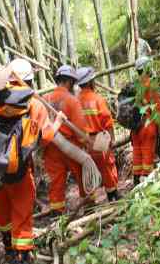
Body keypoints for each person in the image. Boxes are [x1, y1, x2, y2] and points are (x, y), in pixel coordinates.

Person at [0, 59, 63, 264]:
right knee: (22, 210)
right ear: (29, 80)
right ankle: (22, 256)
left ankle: (8, 247)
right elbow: (46, 139)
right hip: (20, 169)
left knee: (1, 209)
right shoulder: (34, 104)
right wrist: (57, 122)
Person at [43, 65, 90, 214]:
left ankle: (58, 215)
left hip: (51, 146)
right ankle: (89, 205)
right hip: (71, 146)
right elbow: (81, 128)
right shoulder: (71, 100)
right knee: (83, 173)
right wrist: (84, 144)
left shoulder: (45, 99)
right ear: (69, 82)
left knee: (56, 181)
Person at [76, 67, 119, 202]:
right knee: (107, 168)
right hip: (99, 140)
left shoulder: (75, 101)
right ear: (90, 82)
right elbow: (107, 121)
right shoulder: (97, 99)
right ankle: (113, 197)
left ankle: (91, 204)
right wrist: (112, 139)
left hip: (84, 141)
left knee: (89, 172)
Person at [131, 57, 160, 185]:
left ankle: (136, 182)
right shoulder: (150, 85)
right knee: (147, 157)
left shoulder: (133, 85)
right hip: (147, 127)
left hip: (135, 128)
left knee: (137, 156)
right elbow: (158, 109)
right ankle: (147, 186)